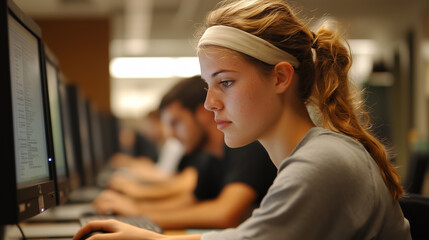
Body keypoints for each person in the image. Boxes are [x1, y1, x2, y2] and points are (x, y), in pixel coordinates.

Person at [74, 0, 412, 239]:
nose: (209, 103)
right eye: (208, 86)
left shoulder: (323, 161)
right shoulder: (311, 155)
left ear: (280, 78)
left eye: (226, 83)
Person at [91, 76, 277, 229]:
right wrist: (135, 209)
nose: (171, 135)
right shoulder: (211, 156)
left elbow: (224, 214)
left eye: (176, 123)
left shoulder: (249, 145)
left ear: (203, 113)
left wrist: (140, 214)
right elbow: (189, 200)